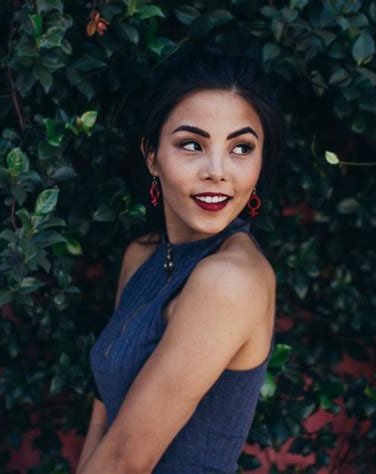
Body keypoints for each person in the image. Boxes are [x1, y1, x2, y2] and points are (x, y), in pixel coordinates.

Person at [77, 44, 286, 474]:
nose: (217, 171)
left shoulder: (231, 280)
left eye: (241, 148)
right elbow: (105, 417)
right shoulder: (142, 256)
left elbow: (125, 460)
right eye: (192, 144)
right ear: (152, 156)